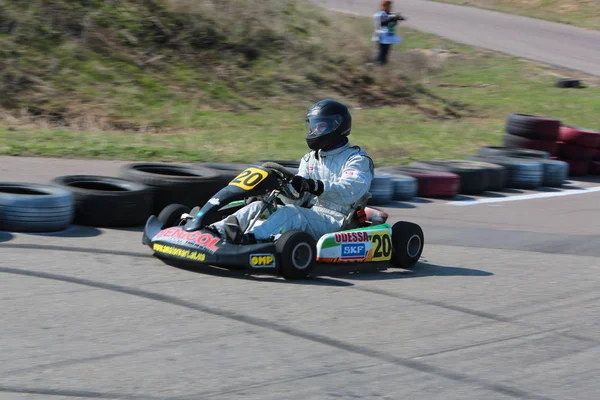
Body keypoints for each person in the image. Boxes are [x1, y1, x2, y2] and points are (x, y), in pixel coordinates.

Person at [208, 99, 374, 244]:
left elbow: (350, 191)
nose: (315, 131)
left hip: (336, 220)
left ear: (338, 126)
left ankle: (249, 239)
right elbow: (296, 200)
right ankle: (214, 232)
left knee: (292, 214)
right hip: (311, 213)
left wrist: (313, 185)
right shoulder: (310, 159)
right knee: (258, 206)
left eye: (321, 126)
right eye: (313, 126)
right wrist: (276, 190)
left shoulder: (356, 159)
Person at [372, 0, 405, 65]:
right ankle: (375, 65)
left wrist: (398, 18)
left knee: (385, 55)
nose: (389, 7)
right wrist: (391, 18)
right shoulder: (380, 14)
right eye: (388, 6)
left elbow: (395, 20)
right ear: (383, 6)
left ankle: (380, 66)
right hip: (381, 37)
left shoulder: (391, 14)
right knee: (381, 54)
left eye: (390, 6)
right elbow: (382, 23)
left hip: (388, 38)